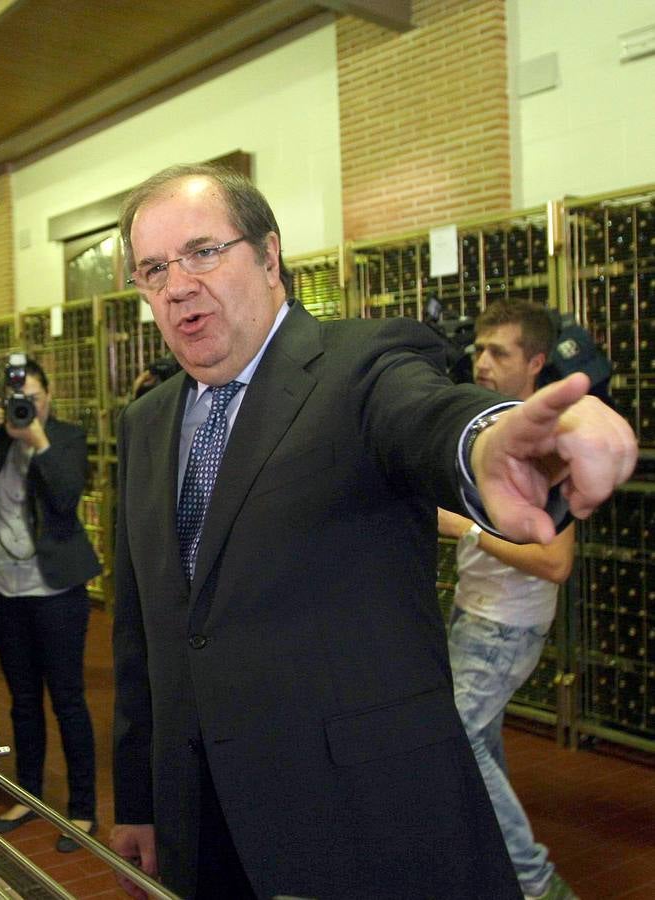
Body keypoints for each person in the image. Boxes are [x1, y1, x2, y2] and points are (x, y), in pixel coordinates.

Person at [107, 164, 635, 899]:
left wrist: (490, 446)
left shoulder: (360, 365)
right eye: (153, 269)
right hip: (205, 818)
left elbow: (426, 418)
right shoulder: (144, 424)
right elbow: (143, 632)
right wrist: (140, 798)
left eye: (202, 252)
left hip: (360, 819)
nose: (177, 284)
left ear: (267, 255)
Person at [437, 299, 578, 900]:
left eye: (501, 352)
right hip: (475, 612)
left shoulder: (549, 440)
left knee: (458, 739)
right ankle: (490, 868)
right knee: (481, 740)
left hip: (507, 625)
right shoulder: (486, 426)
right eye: (479, 349)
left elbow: (555, 562)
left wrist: (464, 529)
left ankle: (534, 882)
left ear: (537, 362)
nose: (483, 362)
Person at [0, 358, 101, 852]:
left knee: (68, 698)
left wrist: (38, 441)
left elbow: (64, 498)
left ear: (48, 396)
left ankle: (82, 808)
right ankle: (29, 793)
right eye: (18, 399)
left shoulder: (65, 436)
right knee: (22, 700)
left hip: (56, 592)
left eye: (33, 398)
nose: (25, 407)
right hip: (4, 592)